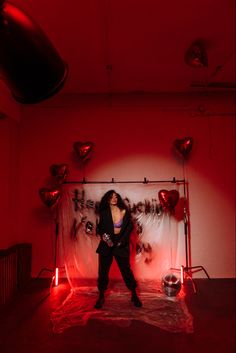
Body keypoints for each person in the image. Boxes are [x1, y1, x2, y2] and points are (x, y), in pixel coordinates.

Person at [94, 189, 142, 309]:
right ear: (107, 199)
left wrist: (123, 241)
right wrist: (106, 238)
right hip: (107, 243)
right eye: (111, 197)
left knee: (126, 271)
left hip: (121, 243)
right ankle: (101, 296)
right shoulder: (104, 212)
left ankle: (134, 295)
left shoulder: (124, 211)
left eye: (116, 197)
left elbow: (130, 226)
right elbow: (100, 228)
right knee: (103, 271)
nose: (114, 199)